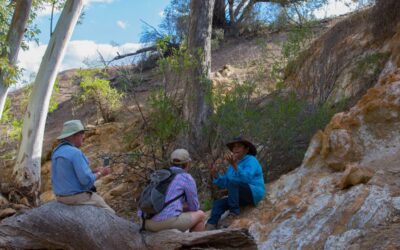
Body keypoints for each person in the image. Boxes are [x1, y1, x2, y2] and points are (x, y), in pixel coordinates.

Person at [51, 120, 115, 213]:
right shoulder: (75, 153)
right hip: (75, 197)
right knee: (110, 212)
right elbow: (86, 180)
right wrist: (101, 173)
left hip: (60, 197)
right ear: (74, 135)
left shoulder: (57, 152)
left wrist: (93, 171)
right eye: (82, 133)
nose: (83, 137)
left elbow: (69, 174)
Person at [206, 137, 265, 230]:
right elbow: (226, 182)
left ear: (246, 149)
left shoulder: (251, 160)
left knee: (234, 183)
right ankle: (210, 225)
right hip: (240, 196)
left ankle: (234, 214)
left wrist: (234, 165)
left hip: (253, 193)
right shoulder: (233, 164)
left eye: (239, 146)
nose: (235, 149)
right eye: (234, 147)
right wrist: (215, 175)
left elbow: (246, 178)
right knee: (218, 203)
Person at [140, 149, 205, 232]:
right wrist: (182, 206)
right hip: (163, 223)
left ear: (170, 163)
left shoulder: (160, 174)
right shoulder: (186, 177)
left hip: (144, 221)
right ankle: (195, 243)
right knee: (200, 215)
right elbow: (194, 207)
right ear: (188, 163)